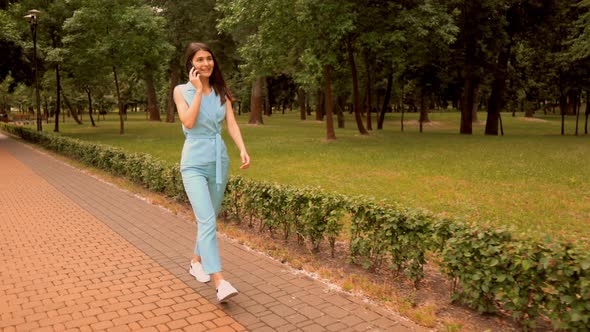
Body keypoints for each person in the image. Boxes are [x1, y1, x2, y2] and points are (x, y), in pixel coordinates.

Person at [173, 42, 250, 303]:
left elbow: (231, 123)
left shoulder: (221, 92)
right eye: (199, 60)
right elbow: (189, 122)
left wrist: (242, 148)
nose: (205, 63)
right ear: (191, 65)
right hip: (193, 163)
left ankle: (195, 261)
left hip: (219, 161)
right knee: (206, 221)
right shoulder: (181, 91)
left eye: (208, 58)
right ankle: (220, 281)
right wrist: (196, 92)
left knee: (209, 220)